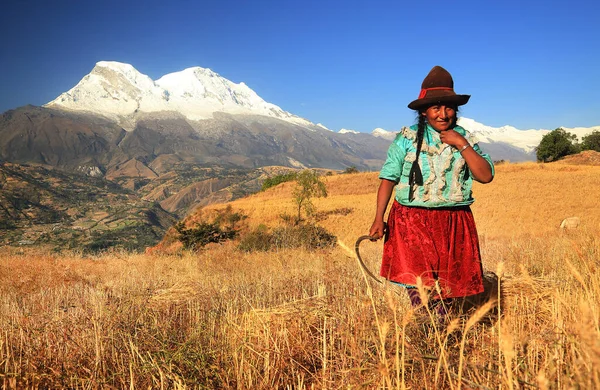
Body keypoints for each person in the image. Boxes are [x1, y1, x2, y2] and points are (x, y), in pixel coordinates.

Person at [369, 65, 494, 317]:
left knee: (448, 286)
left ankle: (442, 332)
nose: (443, 114)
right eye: (436, 107)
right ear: (424, 112)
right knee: (420, 285)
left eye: (448, 107)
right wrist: (378, 218)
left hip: (453, 221)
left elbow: (485, 175)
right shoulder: (406, 139)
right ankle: (430, 330)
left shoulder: (465, 138)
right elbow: (388, 179)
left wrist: (462, 145)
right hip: (411, 220)